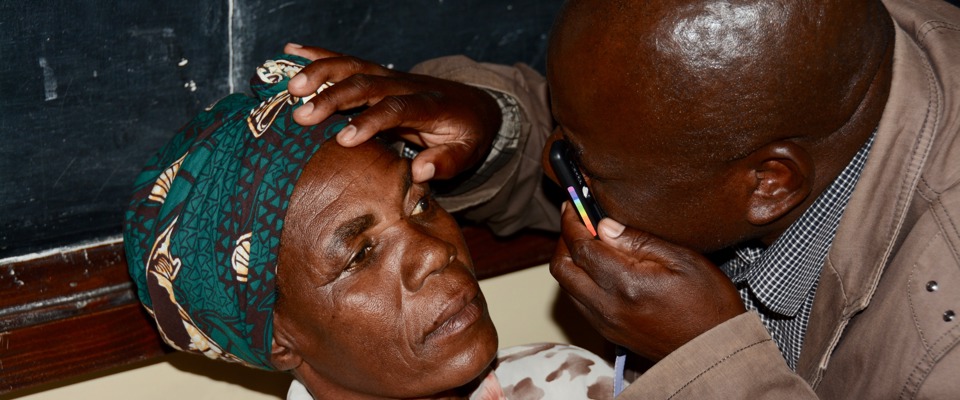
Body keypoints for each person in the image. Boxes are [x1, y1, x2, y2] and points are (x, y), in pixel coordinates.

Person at [281, 0, 960, 397]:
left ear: (769, 184)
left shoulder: (940, 347)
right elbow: (649, 125)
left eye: (580, 163)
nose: (554, 170)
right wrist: (499, 128)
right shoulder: (811, 58)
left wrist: (714, 363)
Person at [123, 54, 616, 399]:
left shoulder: (565, 382)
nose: (434, 253)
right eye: (359, 254)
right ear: (278, 339)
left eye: (420, 204)